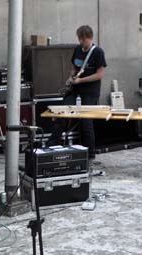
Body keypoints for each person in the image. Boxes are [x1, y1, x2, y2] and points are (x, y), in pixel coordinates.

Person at [46, 25, 106, 159]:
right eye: (79, 39)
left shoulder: (98, 53)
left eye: (83, 40)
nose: (81, 42)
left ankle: (90, 153)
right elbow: (74, 67)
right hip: (75, 88)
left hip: (90, 91)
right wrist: (71, 77)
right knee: (61, 113)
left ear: (90, 38)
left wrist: (81, 80)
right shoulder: (78, 49)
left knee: (86, 121)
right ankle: (51, 144)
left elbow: (99, 74)